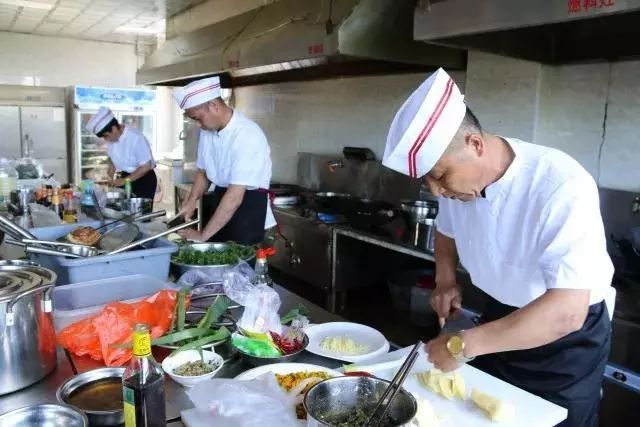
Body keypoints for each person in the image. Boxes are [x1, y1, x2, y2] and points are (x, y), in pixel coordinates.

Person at [382, 68, 613, 427]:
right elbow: (446, 232)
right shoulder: (456, 186)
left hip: (563, 346)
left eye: (440, 177)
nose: (438, 191)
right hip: (499, 319)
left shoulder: (560, 184)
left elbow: (568, 311)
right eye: (429, 182)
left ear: (475, 144)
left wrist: (463, 345)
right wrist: (445, 280)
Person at [172, 76, 276, 244]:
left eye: (198, 118)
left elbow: (235, 196)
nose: (198, 125)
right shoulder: (208, 130)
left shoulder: (247, 134)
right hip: (222, 201)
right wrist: (191, 200)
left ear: (214, 106)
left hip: (246, 208)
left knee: (238, 266)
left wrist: (203, 235)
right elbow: (203, 171)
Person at [86, 107, 157, 200]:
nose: (106, 140)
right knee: (122, 209)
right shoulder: (112, 139)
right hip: (125, 177)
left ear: (114, 128)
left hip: (143, 180)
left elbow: (146, 166)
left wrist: (124, 181)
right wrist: (110, 173)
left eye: (106, 136)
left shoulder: (135, 137)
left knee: (139, 212)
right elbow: (112, 159)